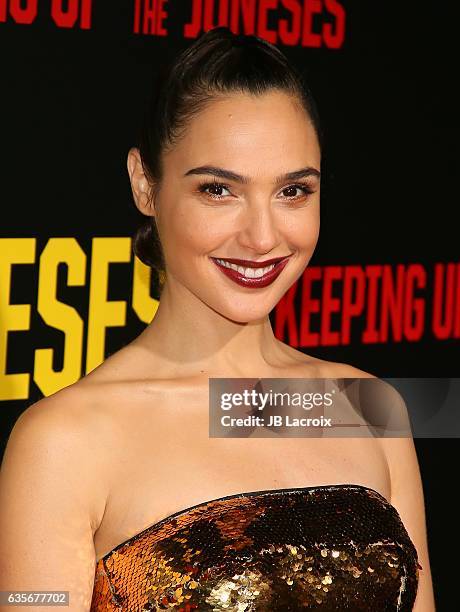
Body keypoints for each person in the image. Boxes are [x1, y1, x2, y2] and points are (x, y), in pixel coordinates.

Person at [0, 27, 435, 611]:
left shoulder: (369, 407)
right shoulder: (64, 442)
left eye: (293, 192)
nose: (261, 237)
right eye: (218, 189)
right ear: (144, 185)